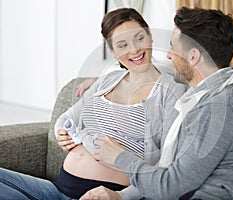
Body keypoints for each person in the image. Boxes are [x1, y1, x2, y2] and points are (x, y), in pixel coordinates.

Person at [0, 8, 187, 199]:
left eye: (139, 38)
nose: (134, 49)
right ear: (112, 50)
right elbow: (67, 118)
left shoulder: (170, 89)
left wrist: (121, 196)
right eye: (122, 44)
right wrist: (61, 132)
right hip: (56, 190)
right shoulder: (108, 80)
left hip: (103, 195)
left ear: (150, 36)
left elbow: (167, 166)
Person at [80, 7, 233, 200]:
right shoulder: (212, 94)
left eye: (172, 48)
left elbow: (170, 186)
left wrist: (119, 157)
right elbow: (159, 69)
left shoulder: (219, 110)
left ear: (193, 56)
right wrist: (105, 79)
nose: (168, 55)